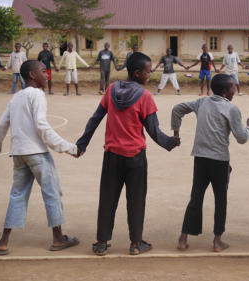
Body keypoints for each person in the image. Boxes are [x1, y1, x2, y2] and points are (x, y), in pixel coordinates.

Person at [76, 52, 180, 256]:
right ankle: (135, 243)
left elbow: (95, 118)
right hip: (135, 157)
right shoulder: (145, 97)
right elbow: (153, 131)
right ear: (137, 73)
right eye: (148, 72)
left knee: (107, 198)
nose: (150, 74)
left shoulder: (111, 90)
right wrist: (170, 142)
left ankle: (102, 243)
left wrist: (83, 143)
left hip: (112, 155)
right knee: (136, 199)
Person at [0, 60, 80, 256]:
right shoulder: (37, 95)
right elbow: (42, 127)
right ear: (32, 75)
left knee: (17, 195)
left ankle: (3, 242)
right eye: (43, 71)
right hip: (36, 152)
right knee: (52, 192)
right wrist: (70, 148)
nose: (47, 75)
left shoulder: (16, 97)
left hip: (19, 153)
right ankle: (58, 239)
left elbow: (2, 125)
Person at [173, 74, 249, 252]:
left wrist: (176, 133)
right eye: (233, 87)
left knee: (195, 197)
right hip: (219, 161)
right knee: (221, 200)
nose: (235, 90)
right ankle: (217, 241)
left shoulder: (202, 103)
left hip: (200, 158)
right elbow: (241, 138)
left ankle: (183, 238)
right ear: (226, 92)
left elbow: (177, 109)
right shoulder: (231, 108)